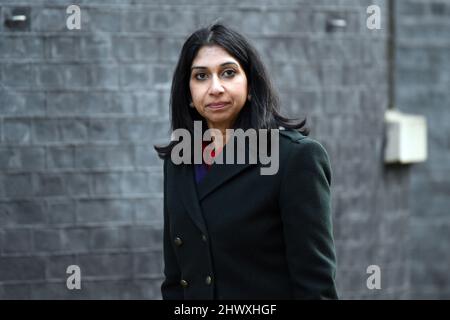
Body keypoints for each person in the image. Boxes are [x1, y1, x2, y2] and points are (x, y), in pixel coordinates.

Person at [154, 22, 338, 300]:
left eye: (228, 73)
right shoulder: (179, 162)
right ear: (189, 94)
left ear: (251, 85)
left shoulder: (294, 158)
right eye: (201, 76)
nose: (215, 88)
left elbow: (315, 286)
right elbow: (175, 279)